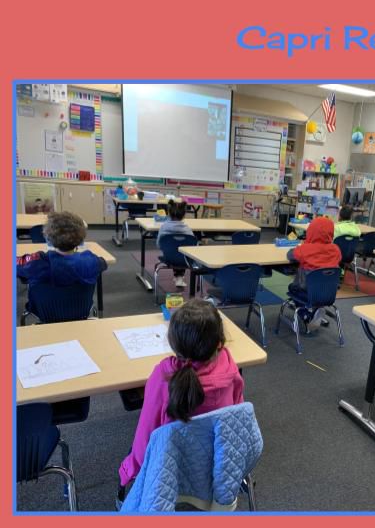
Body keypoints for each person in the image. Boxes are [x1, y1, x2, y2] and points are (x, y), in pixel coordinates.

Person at [118, 299, 244, 490]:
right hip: (216, 464)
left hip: (169, 472)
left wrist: (131, 469)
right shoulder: (230, 368)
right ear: (219, 344)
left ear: (173, 342)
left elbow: (146, 431)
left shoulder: (163, 377)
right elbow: (236, 418)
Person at [17, 211, 108, 287]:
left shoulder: (37, 262)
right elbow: (103, 263)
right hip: (81, 307)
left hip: (42, 308)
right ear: (81, 239)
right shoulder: (90, 261)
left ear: (48, 239)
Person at [287, 217, 341, 328]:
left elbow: (290, 255)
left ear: (311, 231)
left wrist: (302, 245)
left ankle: (306, 316)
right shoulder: (336, 250)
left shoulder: (304, 250)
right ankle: (317, 310)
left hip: (306, 292)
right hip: (328, 294)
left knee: (293, 288)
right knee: (316, 286)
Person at [156, 199, 194, 288]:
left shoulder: (164, 227)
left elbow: (159, 245)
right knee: (182, 253)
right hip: (185, 260)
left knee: (173, 251)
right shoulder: (187, 229)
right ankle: (179, 277)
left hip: (168, 257)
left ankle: (178, 277)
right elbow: (193, 247)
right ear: (184, 215)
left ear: (169, 214)